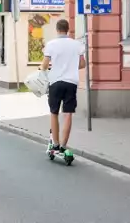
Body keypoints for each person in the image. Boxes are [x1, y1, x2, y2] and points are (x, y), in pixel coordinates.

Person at [39, 19, 85, 159]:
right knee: (68, 114)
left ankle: (56, 144)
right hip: (71, 82)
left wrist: (41, 69)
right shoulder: (77, 44)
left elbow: (45, 65)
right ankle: (64, 145)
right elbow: (82, 64)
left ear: (57, 29)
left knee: (54, 113)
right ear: (68, 29)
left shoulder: (51, 45)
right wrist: (70, 68)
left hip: (55, 82)